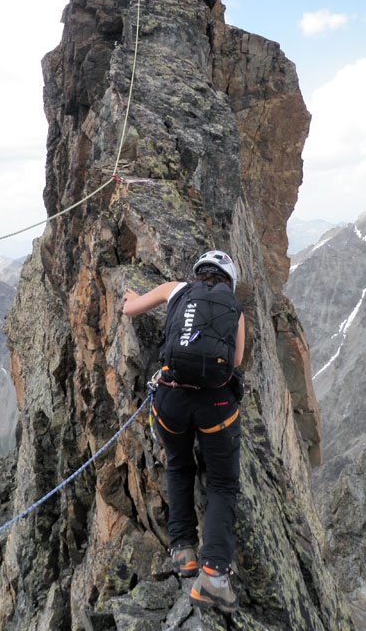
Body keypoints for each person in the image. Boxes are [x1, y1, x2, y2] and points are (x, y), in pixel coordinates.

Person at [123, 250, 244, 614]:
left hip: (171, 401)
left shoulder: (176, 289)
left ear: (198, 275)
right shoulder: (234, 310)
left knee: (178, 465)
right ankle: (215, 578)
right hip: (216, 407)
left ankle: (184, 553)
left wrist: (130, 298)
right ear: (228, 282)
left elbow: (130, 310)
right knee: (222, 484)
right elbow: (235, 362)